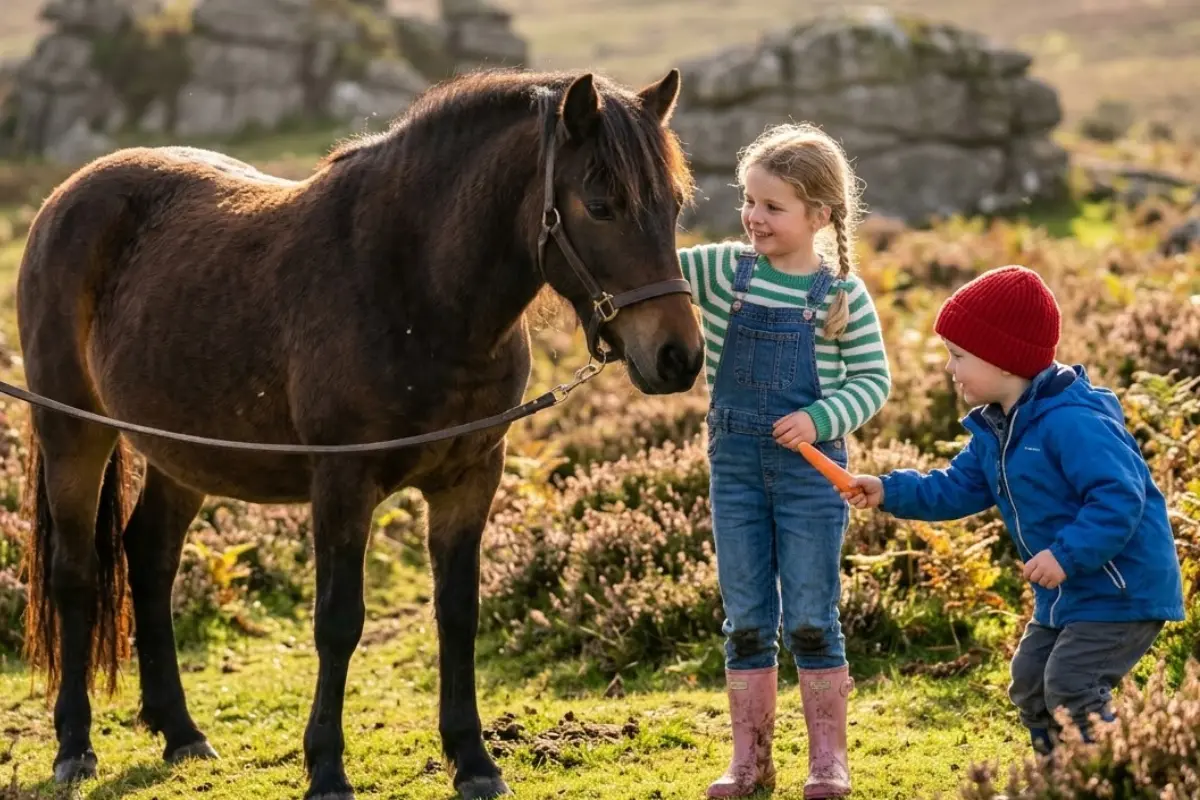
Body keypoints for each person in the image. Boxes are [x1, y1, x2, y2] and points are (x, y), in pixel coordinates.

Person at [842, 264, 1185, 756]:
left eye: (958, 355)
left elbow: (1119, 497)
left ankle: (1120, 774)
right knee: (1029, 683)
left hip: (1120, 590)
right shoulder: (997, 429)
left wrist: (1065, 556)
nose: (949, 368)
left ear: (1003, 361)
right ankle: (1057, 776)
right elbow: (954, 487)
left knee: (1071, 685)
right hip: (1067, 594)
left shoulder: (1072, 423)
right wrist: (888, 490)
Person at [677, 122, 892, 799]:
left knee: (809, 616)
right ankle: (751, 763)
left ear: (820, 215)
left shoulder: (840, 298)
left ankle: (829, 763)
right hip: (735, 469)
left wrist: (819, 419)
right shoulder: (719, 270)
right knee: (745, 618)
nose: (753, 217)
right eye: (749, 201)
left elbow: (873, 382)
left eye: (773, 207)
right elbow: (650, 269)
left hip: (810, 477)